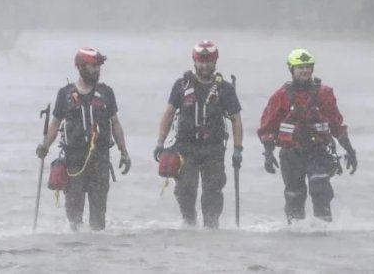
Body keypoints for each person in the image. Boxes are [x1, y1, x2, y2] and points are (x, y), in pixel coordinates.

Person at [36, 46, 132, 231]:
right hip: (74, 164)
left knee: (98, 221)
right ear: (80, 67)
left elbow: (115, 123)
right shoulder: (65, 94)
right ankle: (76, 247)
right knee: (74, 220)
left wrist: (124, 152)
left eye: (99, 66)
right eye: (93, 66)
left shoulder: (106, 93)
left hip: (100, 162)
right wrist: (45, 146)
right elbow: (55, 123)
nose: (97, 70)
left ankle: (97, 247)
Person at [257, 48, 357, 223]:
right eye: (300, 67)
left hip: (318, 151)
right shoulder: (280, 96)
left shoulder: (324, 94)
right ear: (292, 69)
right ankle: (295, 232)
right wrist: (268, 154)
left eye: (308, 67)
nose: (305, 70)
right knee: (294, 196)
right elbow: (268, 127)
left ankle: (324, 230)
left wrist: (350, 150)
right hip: (291, 154)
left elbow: (336, 124)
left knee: (320, 190)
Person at [154, 40, 243, 228]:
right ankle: (189, 226)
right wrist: (160, 142)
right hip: (185, 148)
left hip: (214, 150)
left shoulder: (225, 89)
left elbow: (236, 120)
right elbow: (168, 114)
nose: (204, 65)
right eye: (200, 61)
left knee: (213, 192)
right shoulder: (181, 85)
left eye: (208, 61)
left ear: (215, 61)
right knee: (185, 190)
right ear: (194, 61)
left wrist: (238, 149)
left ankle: (211, 229)